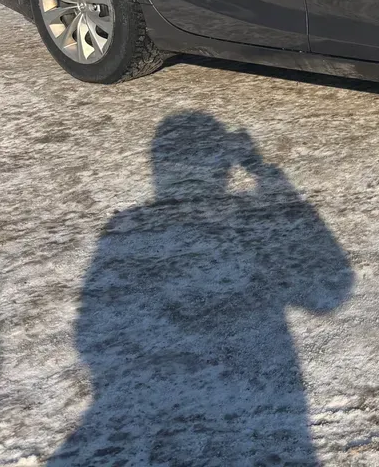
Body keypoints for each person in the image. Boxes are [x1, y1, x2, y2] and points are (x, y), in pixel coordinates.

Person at [51, 112, 353, 465]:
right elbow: (328, 293)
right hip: (243, 402)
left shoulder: (125, 225)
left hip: (158, 404)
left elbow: (92, 331)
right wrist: (264, 174)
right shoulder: (139, 224)